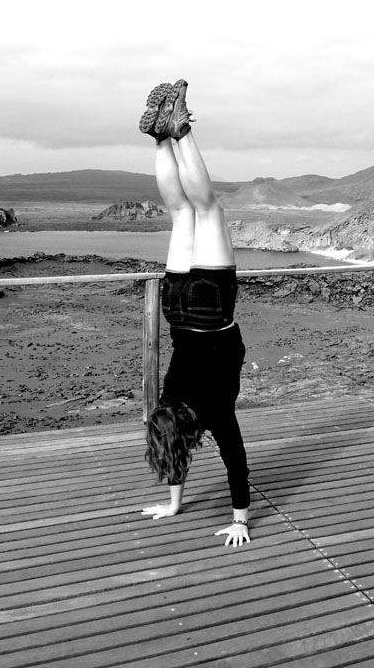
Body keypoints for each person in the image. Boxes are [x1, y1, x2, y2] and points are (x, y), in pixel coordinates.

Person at [139, 79, 252, 547]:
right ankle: (162, 139)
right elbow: (169, 443)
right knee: (182, 212)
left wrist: (240, 520)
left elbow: (235, 462)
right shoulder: (165, 404)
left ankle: (181, 130)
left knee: (207, 210)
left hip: (212, 311)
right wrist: (172, 502)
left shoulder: (213, 412)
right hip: (177, 308)